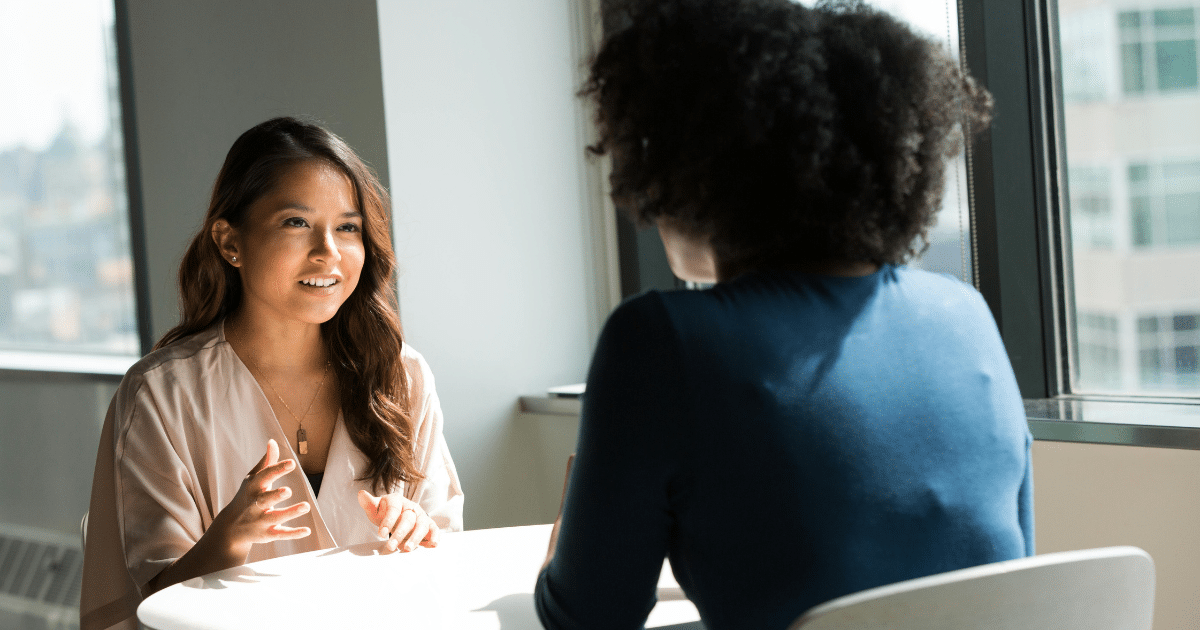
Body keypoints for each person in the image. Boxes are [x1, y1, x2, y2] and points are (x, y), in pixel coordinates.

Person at [534, 1, 1032, 629]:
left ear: (687, 169)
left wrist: (563, 561)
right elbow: (1015, 576)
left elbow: (590, 619)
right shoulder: (967, 317)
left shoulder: (661, 340)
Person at [80, 117, 464, 630]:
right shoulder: (162, 394)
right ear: (229, 241)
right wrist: (226, 542)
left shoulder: (402, 375)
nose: (328, 251)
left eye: (348, 227)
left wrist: (420, 531)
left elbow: (447, 554)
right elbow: (151, 607)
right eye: (296, 223)